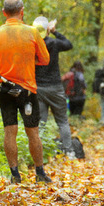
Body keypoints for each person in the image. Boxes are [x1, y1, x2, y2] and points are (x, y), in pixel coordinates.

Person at [0, 0, 52, 184]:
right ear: (22, 11)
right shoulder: (32, 32)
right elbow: (45, 60)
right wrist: (25, 60)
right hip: (27, 90)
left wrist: (1, 60)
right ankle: (40, 173)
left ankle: (15, 175)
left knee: (10, 132)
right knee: (33, 132)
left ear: (4, 12)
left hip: (5, 89)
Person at [32, 16, 76, 158]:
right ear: (47, 31)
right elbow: (68, 44)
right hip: (55, 88)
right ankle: (69, 151)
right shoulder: (54, 43)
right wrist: (55, 31)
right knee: (62, 121)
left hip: (39, 88)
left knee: (41, 122)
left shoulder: (32, 44)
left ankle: (39, 153)